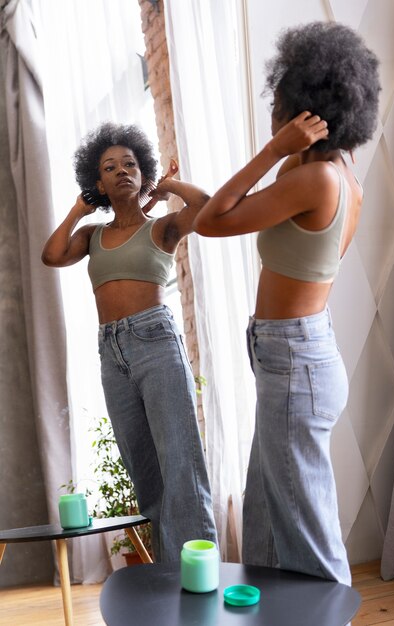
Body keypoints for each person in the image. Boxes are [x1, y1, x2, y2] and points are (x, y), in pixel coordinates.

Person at [193, 21, 380, 585]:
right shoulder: (328, 172)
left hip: (295, 360)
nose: (271, 112)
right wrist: (280, 155)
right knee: (267, 518)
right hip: (292, 356)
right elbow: (228, 208)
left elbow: (213, 222)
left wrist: (275, 148)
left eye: (279, 103)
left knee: (307, 533)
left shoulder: (318, 178)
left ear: (306, 110)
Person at [42, 121, 218, 562]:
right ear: (96, 182)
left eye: (130, 164)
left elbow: (208, 208)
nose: (122, 170)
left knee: (180, 461)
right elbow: (51, 254)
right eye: (109, 167)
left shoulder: (162, 227)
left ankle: (200, 575)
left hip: (154, 342)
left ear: (144, 174)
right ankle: (169, 573)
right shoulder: (91, 236)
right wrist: (76, 211)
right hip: (111, 351)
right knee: (144, 469)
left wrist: (171, 186)